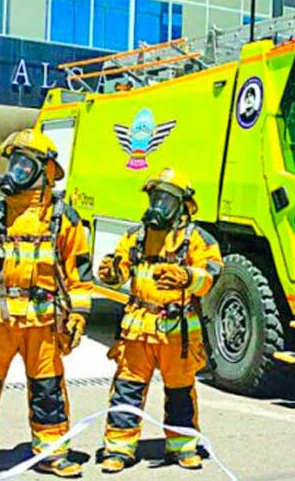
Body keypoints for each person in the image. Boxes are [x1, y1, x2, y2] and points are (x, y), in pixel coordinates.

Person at [0, 128, 93, 481]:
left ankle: (52, 454)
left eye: (25, 164)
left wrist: (77, 315)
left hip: (44, 323)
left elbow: (79, 275)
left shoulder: (65, 220)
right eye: (14, 162)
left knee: (48, 393)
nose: (15, 170)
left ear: (44, 171)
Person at [96, 168, 222, 473]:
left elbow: (213, 273)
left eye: (165, 200)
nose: (158, 206)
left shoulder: (197, 239)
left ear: (182, 205)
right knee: (127, 389)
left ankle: (182, 447)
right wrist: (112, 272)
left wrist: (188, 276)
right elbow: (119, 269)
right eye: (155, 198)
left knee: (180, 392)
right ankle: (119, 448)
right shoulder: (136, 236)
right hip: (138, 329)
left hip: (177, 334)